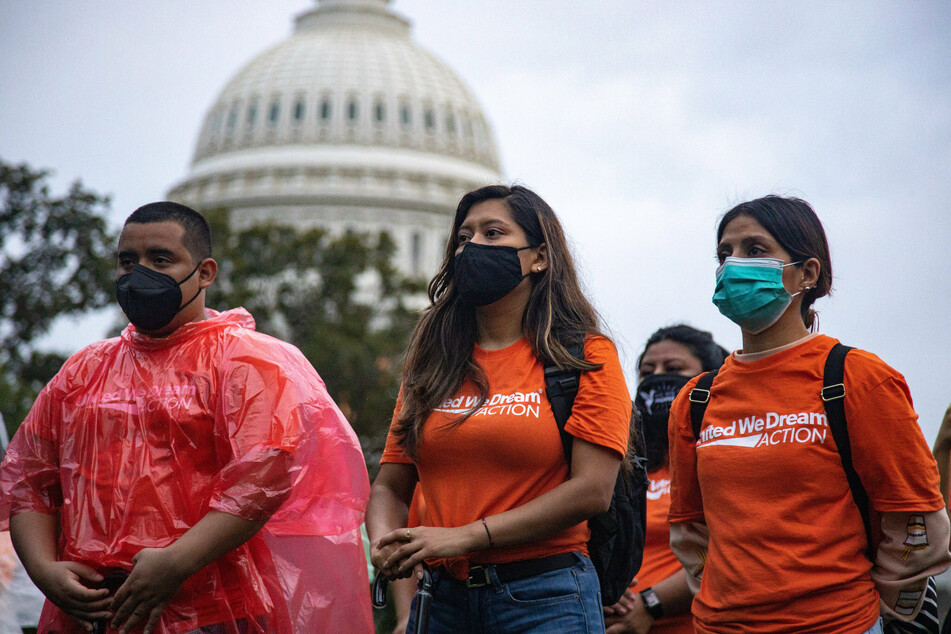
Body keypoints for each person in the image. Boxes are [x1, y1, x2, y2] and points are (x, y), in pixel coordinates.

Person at [0, 202, 373, 634]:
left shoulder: (246, 362)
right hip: (88, 613)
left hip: (210, 612)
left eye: (160, 259)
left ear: (205, 272)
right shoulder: (83, 370)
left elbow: (260, 481)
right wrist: (46, 570)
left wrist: (175, 563)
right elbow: (28, 480)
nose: (139, 273)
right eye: (127, 261)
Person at [666, 195, 951, 632]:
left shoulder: (858, 378)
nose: (732, 265)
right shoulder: (695, 400)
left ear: (807, 273)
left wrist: (879, 615)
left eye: (755, 250)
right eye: (725, 254)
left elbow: (914, 522)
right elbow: (691, 532)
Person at [366, 184, 631, 633]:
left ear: (539, 257)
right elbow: (391, 487)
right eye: (464, 238)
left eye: (493, 234)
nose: (472, 248)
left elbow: (591, 490)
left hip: (546, 597)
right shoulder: (432, 364)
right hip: (442, 601)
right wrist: (384, 543)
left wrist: (463, 537)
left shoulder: (583, 355)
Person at [604, 325, 727, 633]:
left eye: (673, 369)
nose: (657, 377)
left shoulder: (725, 457)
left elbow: (728, 553)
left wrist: (651, 604)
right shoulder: (622, 463)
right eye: (647, 372)